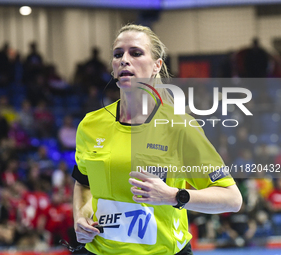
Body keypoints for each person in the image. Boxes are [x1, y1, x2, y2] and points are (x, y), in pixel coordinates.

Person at [72, 24, 242, 255]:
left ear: (156, 66)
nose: (124, 60)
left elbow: (231, 199)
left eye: (136, 53)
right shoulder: (91, 125)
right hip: (98, 250)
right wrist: (80, 215)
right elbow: (83, 181)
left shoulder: (179, 126)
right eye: (118, 54)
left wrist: (174, 196)